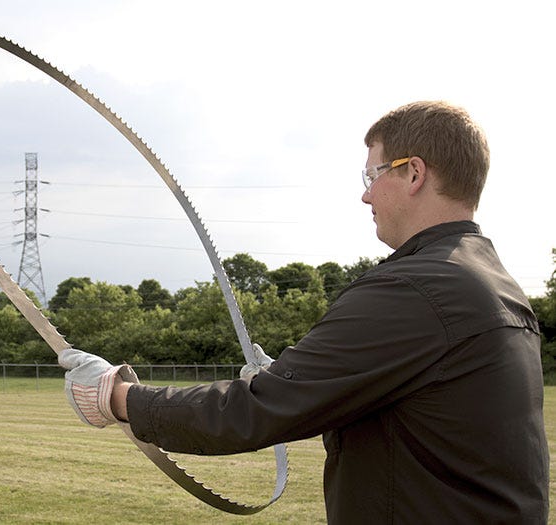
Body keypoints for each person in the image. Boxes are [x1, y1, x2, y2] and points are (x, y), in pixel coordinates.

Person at [58, 101, 549, 523]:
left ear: (414, 173)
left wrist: (116, 398)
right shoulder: (492, 283)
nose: (365, 194)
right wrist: (297, 378)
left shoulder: (417, 288)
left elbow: (253, 411)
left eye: (372, 175)